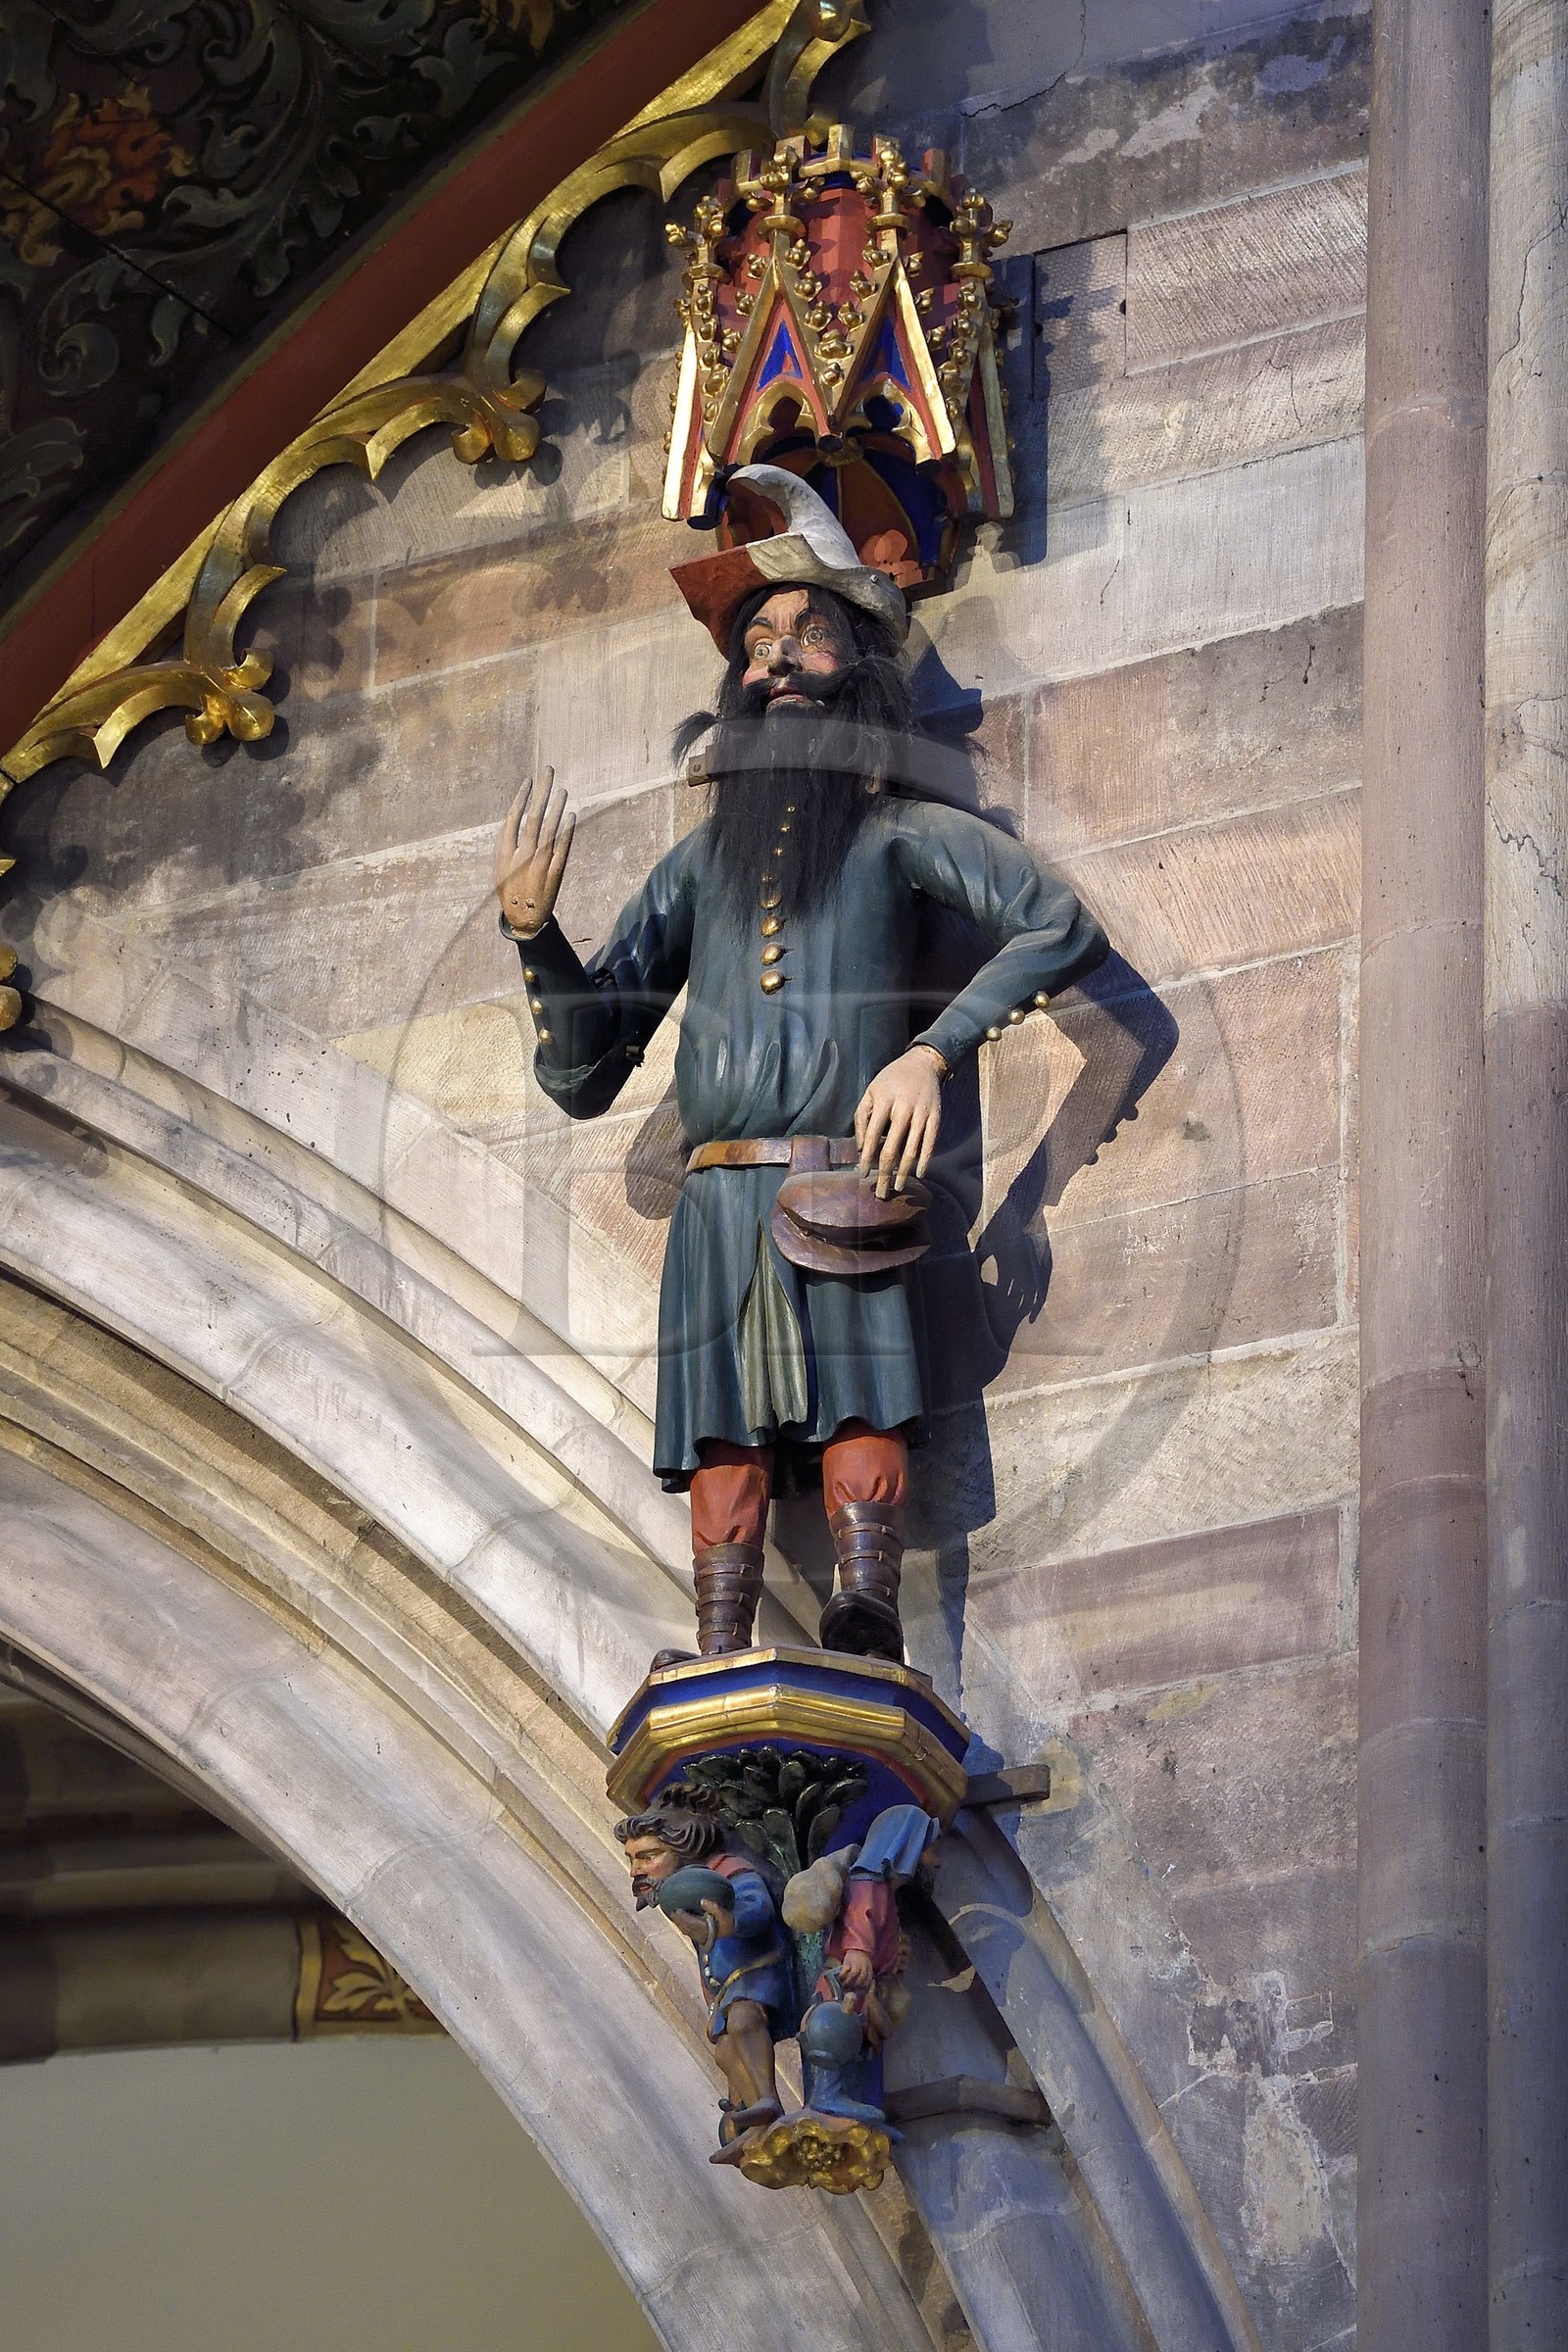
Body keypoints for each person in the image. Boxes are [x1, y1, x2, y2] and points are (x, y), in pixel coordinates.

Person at [495, 466, 1107, 1666]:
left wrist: (931, 1055)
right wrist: (535, 936)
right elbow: (584, 1071)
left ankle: (866, 1601)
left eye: (805, 633)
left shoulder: (897, 832)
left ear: (859, 668)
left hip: (848, 1170)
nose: (774, 660)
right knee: (719, 1436)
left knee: (862, 1399)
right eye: (756, 642)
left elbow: (1057, 925)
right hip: (719, 1193)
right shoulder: (696, 868)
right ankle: (719, 1633)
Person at [614, 1790, 795, 2159]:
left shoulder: (724, 1870)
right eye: (632, 1859)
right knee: (725, 2052)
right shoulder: (682, 1895)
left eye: (648, 1856)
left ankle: (768, 2098)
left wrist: (727, 1923)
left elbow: (757, 1905)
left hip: (757, 1972)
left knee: (744, 2022)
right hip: (727, 1988)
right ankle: (758, 2121)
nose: (635, 1871)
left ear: (683, 1848)